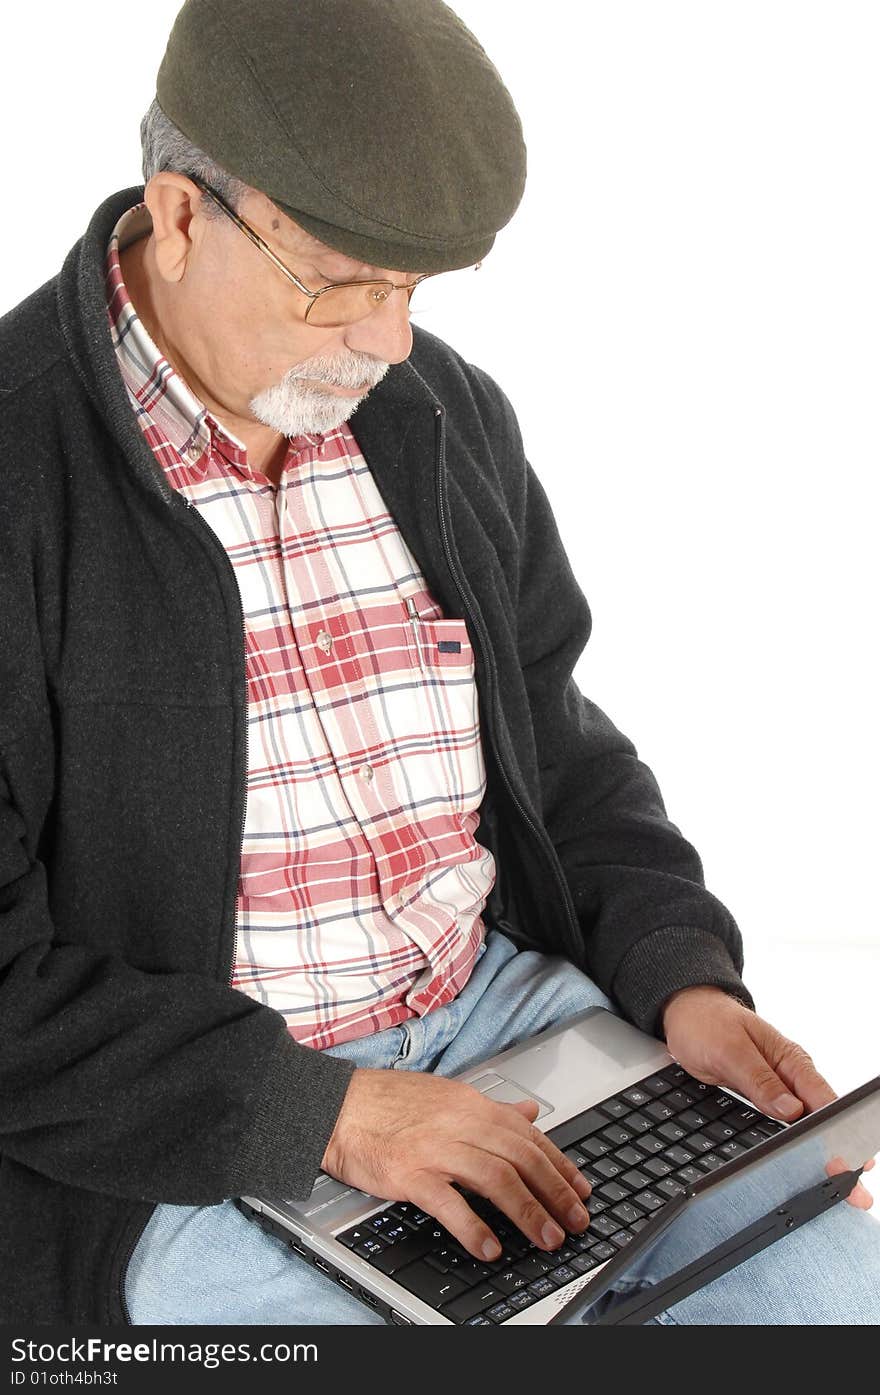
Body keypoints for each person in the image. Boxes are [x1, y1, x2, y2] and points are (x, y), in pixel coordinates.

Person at [0, 0, 876, 1327]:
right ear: (179, 219)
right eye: (343, 284)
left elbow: (567, 768)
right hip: (199, 1135)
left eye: (412, 291)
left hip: (517, 1033)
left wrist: (678, 975)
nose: (390, 342)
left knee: (834, 1312)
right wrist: (326, 1113)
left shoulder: (437, 417)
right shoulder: (20, 469)